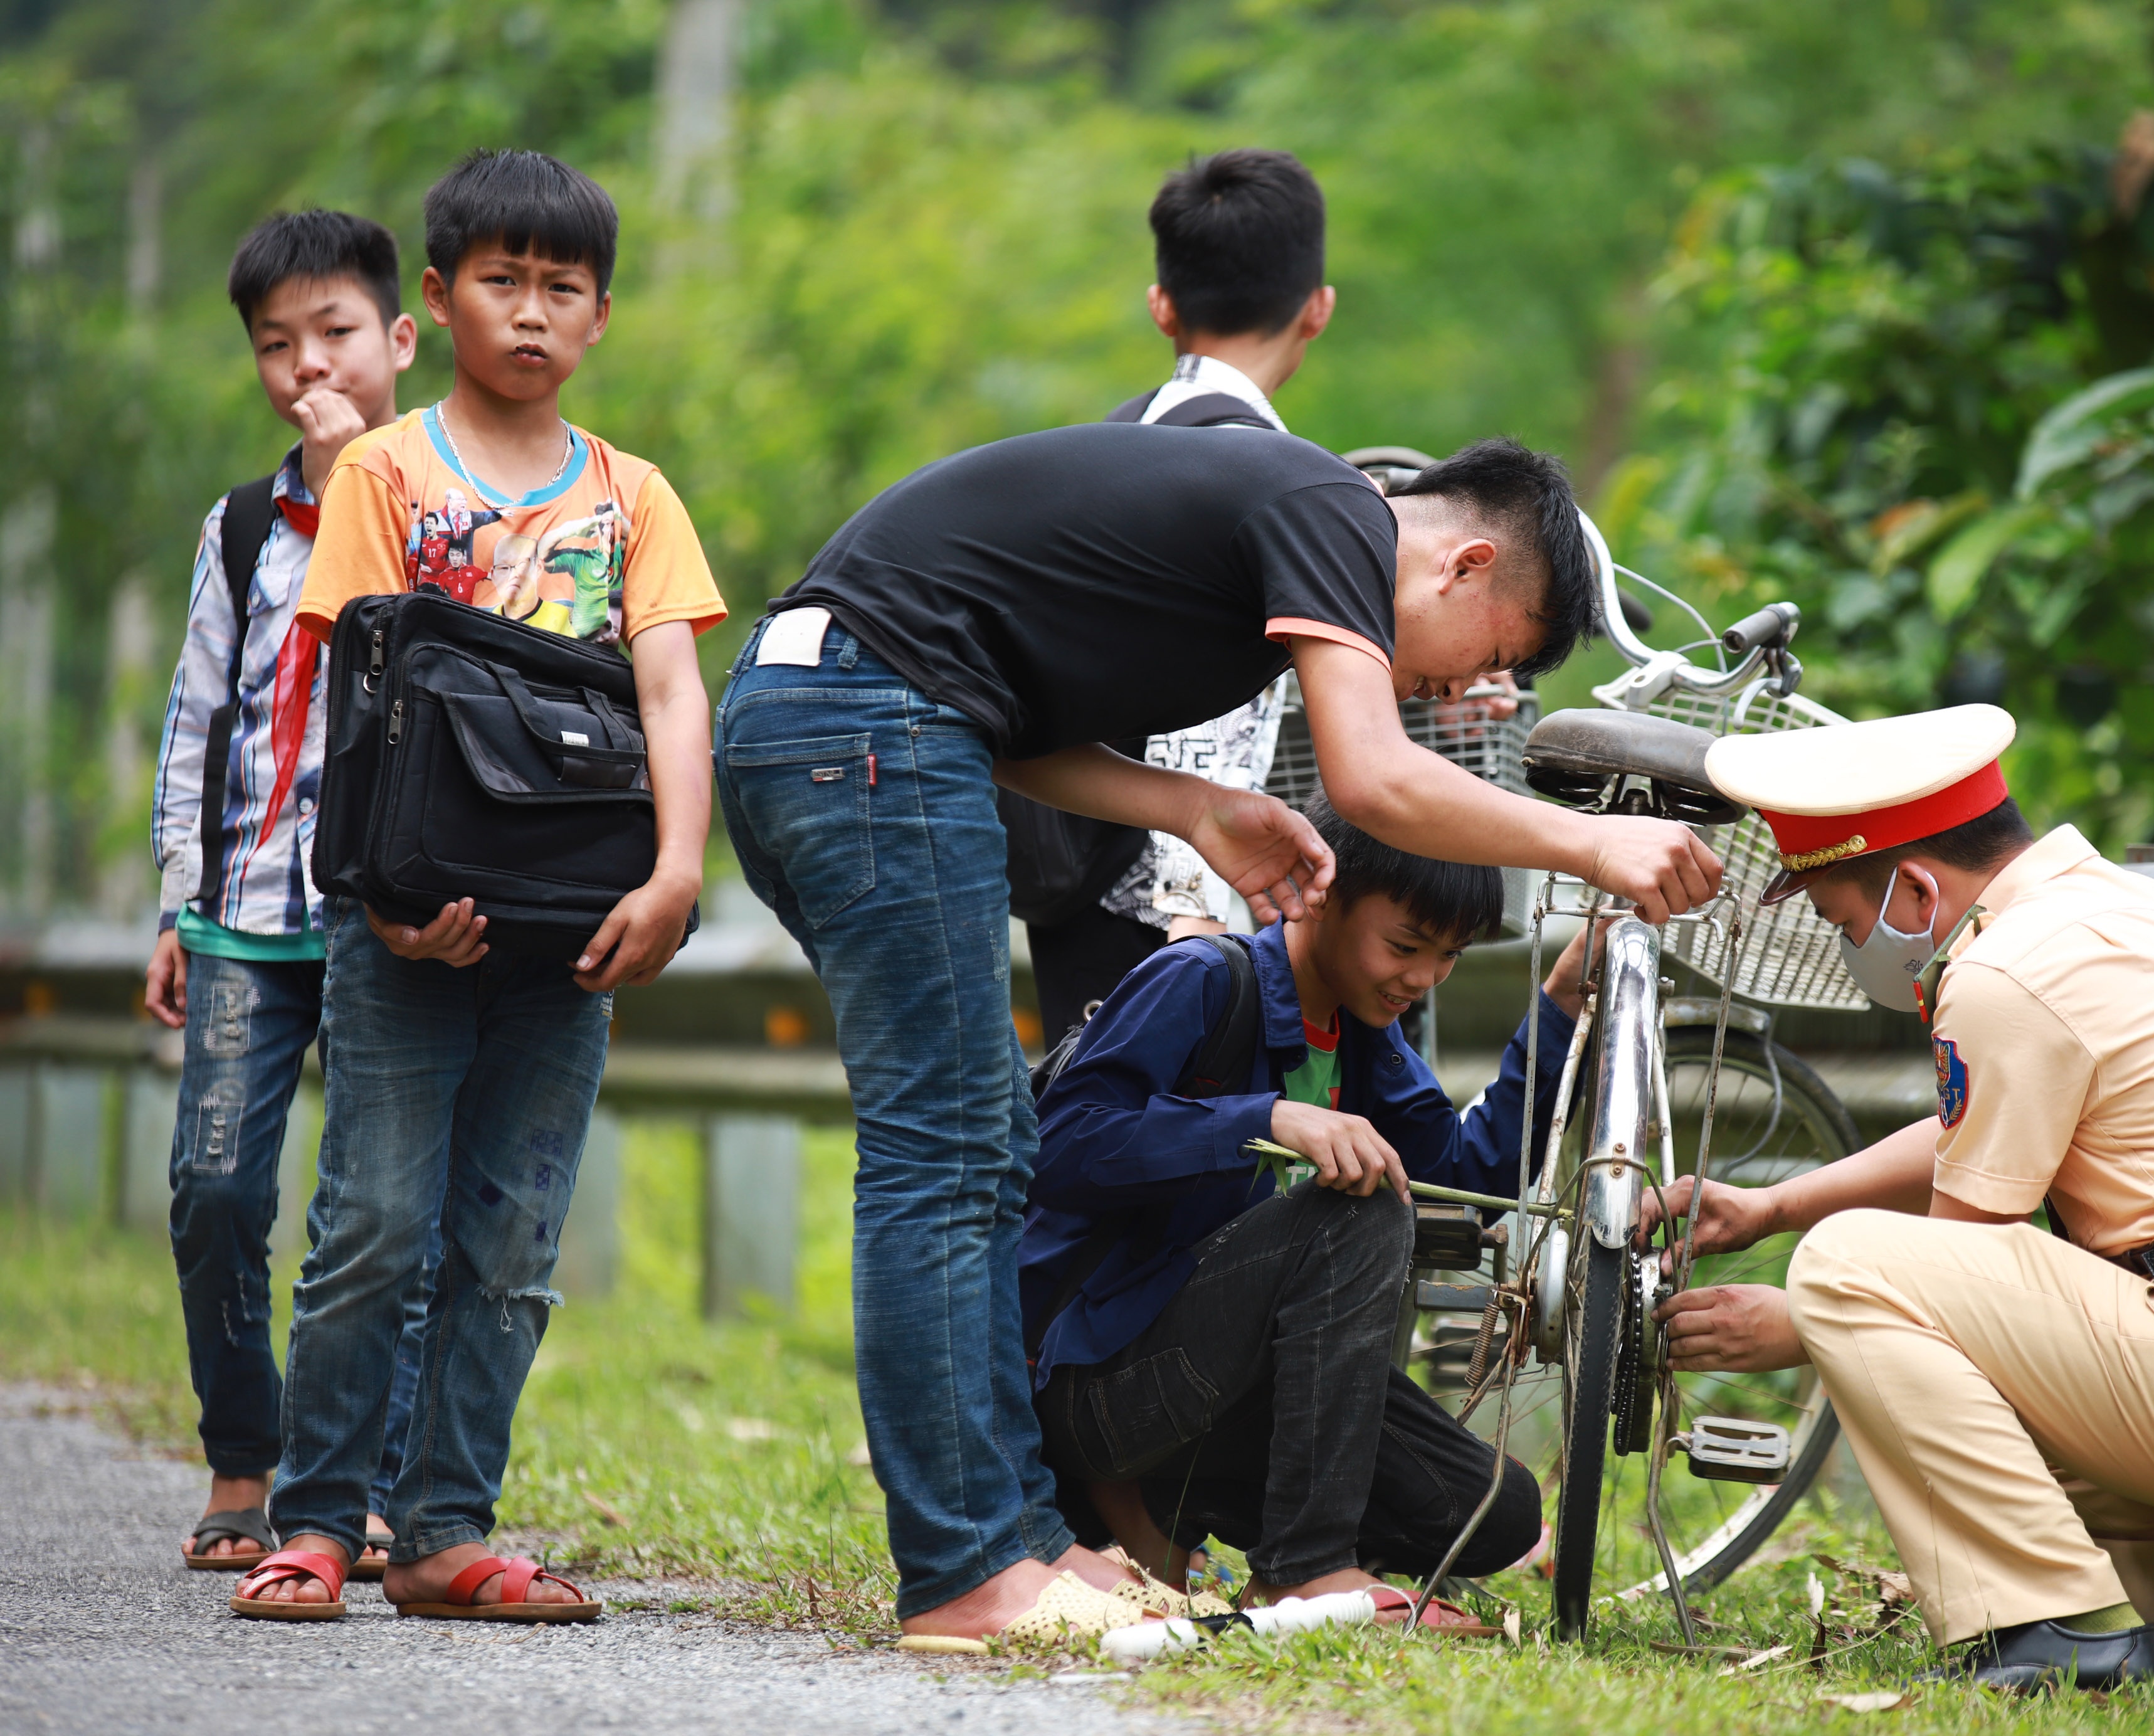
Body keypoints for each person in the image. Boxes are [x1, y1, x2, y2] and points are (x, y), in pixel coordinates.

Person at [721, 427, 1719, 1645]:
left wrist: (1197, 807)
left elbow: (1018, 731)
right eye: (1486, 662)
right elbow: (1375, 782)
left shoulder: (1275, 532)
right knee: (954, 1157)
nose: (1456, 695)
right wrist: (1592, 843)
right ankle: (968, 1565)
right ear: (1461, 565)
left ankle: (1019, 1544)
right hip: (868, 726)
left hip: (836, 716)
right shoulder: (1331, 509)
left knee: (972, 1149)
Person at [1650, 705, 2154, 1691]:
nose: (1851, 948)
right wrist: (1774, 1208)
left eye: (1843, 923)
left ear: (1913, 886)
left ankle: (2062, 1637)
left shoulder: (2004, 972)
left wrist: (1802, 1318)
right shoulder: (2115, 914)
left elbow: (1954, 1272)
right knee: (1916, 1307)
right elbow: (1973, 1133)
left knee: (1852, 1270)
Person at [229, 149, 726, 1621]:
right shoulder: (385, 470)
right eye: (499, 282)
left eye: (558, 289)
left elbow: (672, 692)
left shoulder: (634, 496)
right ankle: (319, 1522)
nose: (528, 313)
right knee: (374, 1223)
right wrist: (374, 893)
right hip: (406, 915)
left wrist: (679, 876)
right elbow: (348, 684)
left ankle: (446, 1529)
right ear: (437, 302)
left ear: (600, 316)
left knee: (509, 1243)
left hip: (572, 930)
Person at [1025, 797, 1588, 1625]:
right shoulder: (1205, 980)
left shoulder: (1361, 1032)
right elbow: (1064, 1144)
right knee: (1356, 1215)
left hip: (1224, 1393)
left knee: (1492, 1511)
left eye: (1449, 957)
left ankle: (1271, 1554)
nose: (1423, 979)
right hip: (1098, 1384)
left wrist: (1566, 1000)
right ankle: (1304, 1571)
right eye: (1405, 946)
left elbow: (1469, 1169)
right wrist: (1264, 1119)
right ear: (1319, 893)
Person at [146, 208, 437, 1583]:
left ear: (399, 338)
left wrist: (361, 486)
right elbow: (202, 715)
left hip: (393, 904)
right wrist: (173, 896)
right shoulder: (245, 524)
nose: (307, 363)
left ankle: (360, 1484)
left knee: (377, 1210)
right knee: (213, 1186)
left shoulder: (452, 498)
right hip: (244, 910)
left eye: (335, 334)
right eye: (277, 344)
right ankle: (241, 1459)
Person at [1022, 147, 1337, 1037]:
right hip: (1166, 905)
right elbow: (1213, 713)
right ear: (1318, 309)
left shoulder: (1116, 440)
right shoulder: (1255, 470)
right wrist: (1194, 916)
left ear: (1162, 306)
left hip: (1074, 869)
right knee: (1164, 1154)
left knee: (1091, 1140)